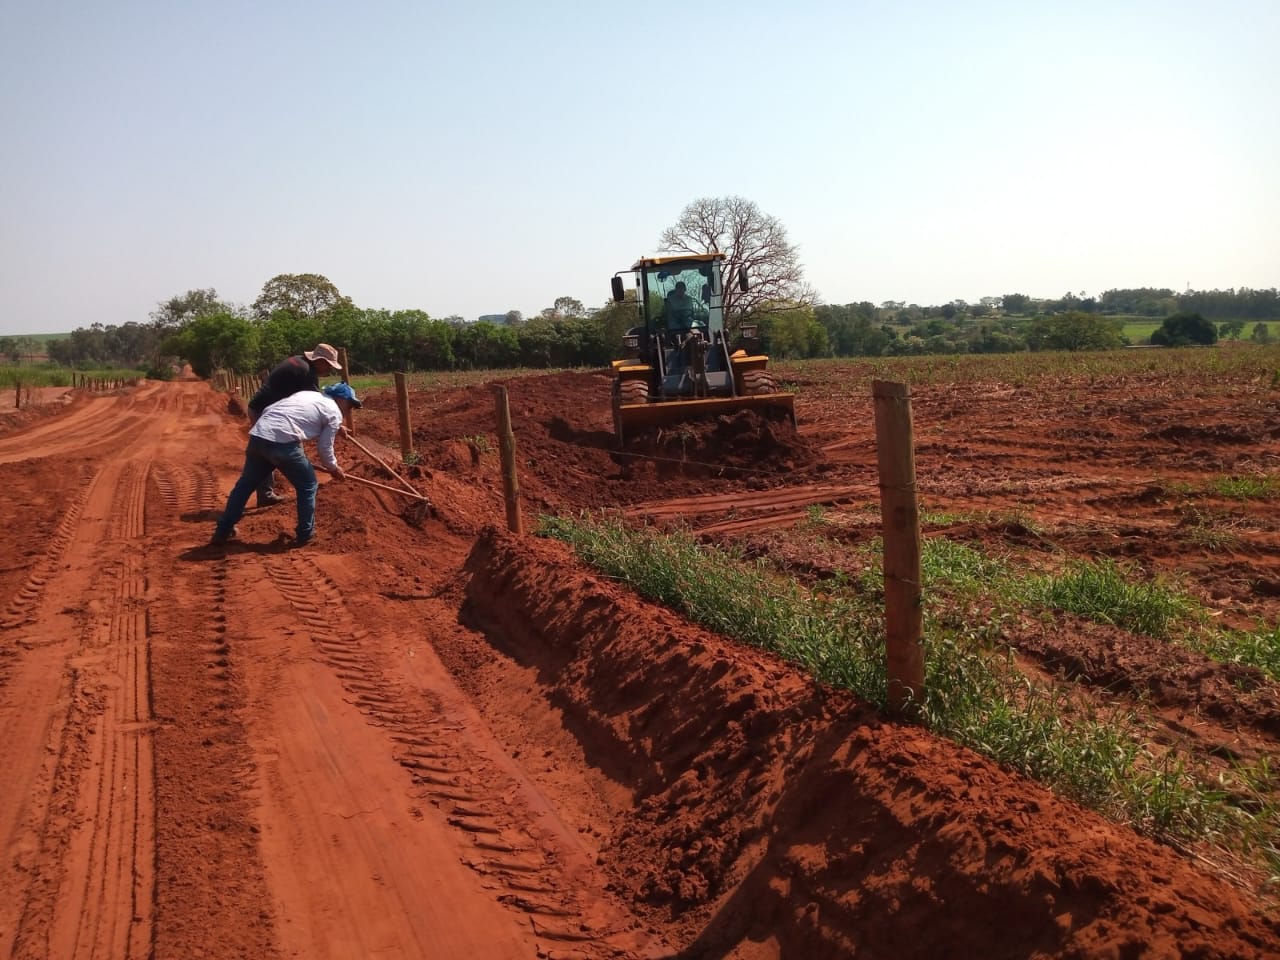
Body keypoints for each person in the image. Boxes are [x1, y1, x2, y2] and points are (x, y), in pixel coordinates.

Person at [211, 382, 362, 548]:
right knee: (308, 484)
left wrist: (336, 427)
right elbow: (324, 448)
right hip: (283, 442)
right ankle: (305, 534)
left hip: (259, 435)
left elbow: (281, 411)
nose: (349, 410)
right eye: (350, 405)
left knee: (245, 484)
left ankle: (223, 530)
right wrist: (333, 468)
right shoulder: (334, 411)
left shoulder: (309, 395)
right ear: (340, 399)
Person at [247, 343, 343, 506]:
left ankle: (266, 493)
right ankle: (298, 489)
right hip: (265, 412)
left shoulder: (298, 361)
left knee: (270, 451)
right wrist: (335, 424)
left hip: (262, 408)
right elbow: (317, 404)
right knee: (277, 450)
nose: (329, 369)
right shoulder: (306, 373)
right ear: (319, 360)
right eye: (328, 365)